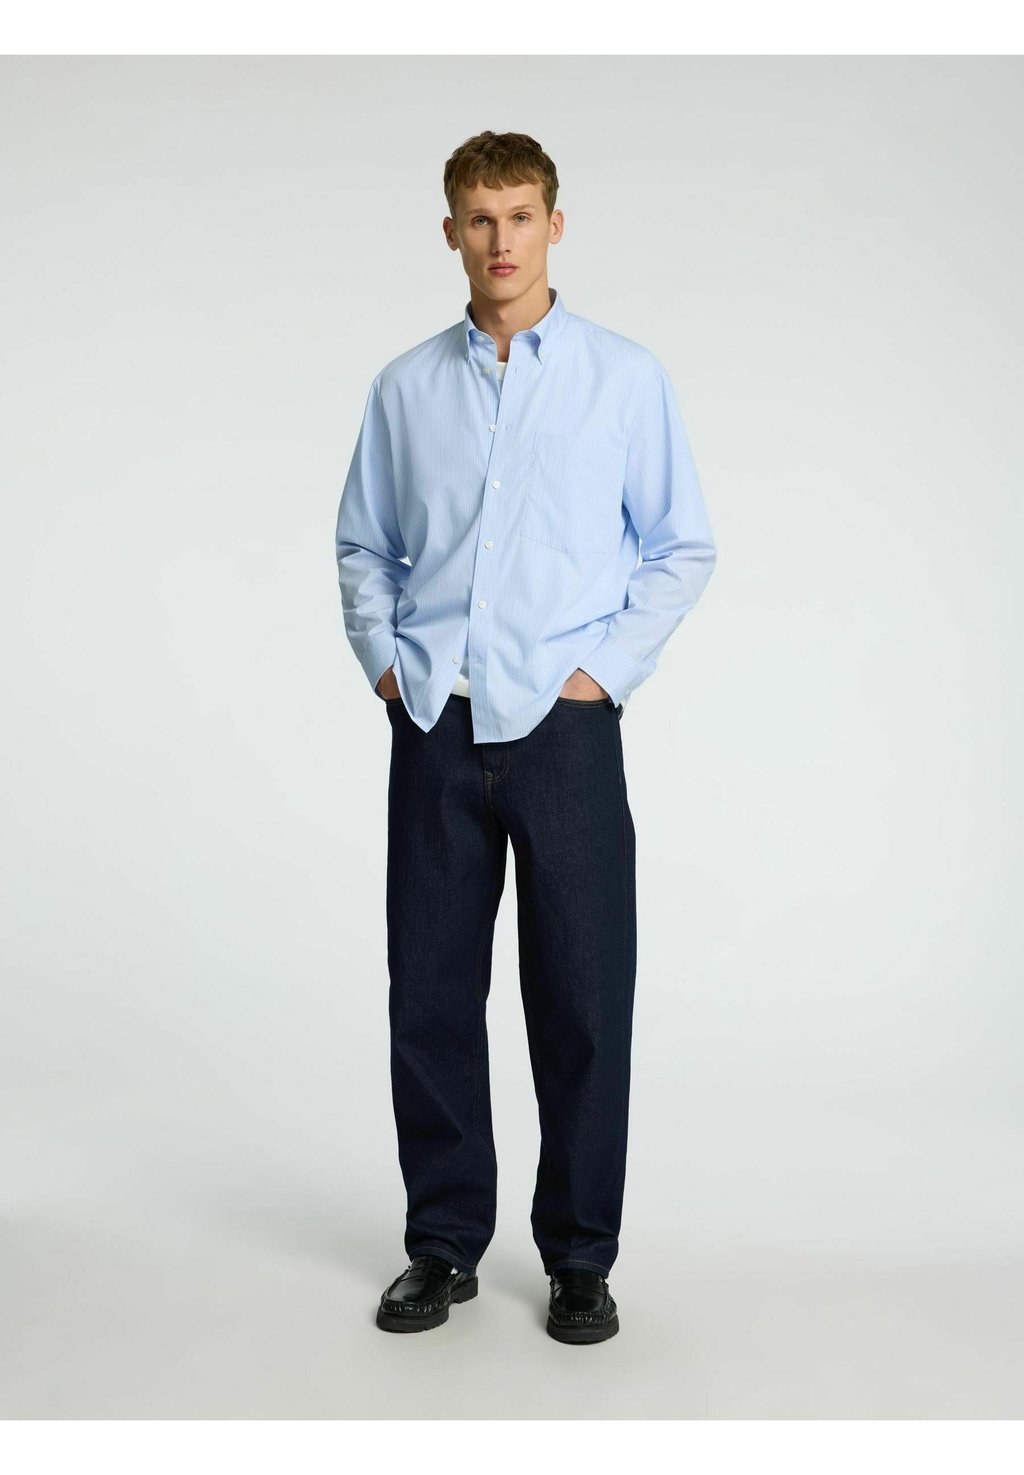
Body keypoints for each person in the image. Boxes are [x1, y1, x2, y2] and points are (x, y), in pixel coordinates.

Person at [335, 130, 717, 1344]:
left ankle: (580, 1256)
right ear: (449, 232)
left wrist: (599, 675)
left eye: (519, 215)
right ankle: (442, 1243)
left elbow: (680, 544)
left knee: (583, 998)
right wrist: (389, 663)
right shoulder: (405, 389)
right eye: (478, 218)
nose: (499, 240)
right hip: (437, 724)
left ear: (554, 225)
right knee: (430, 993)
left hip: (563, 729)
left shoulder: (623, 379)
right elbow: (364, 543)